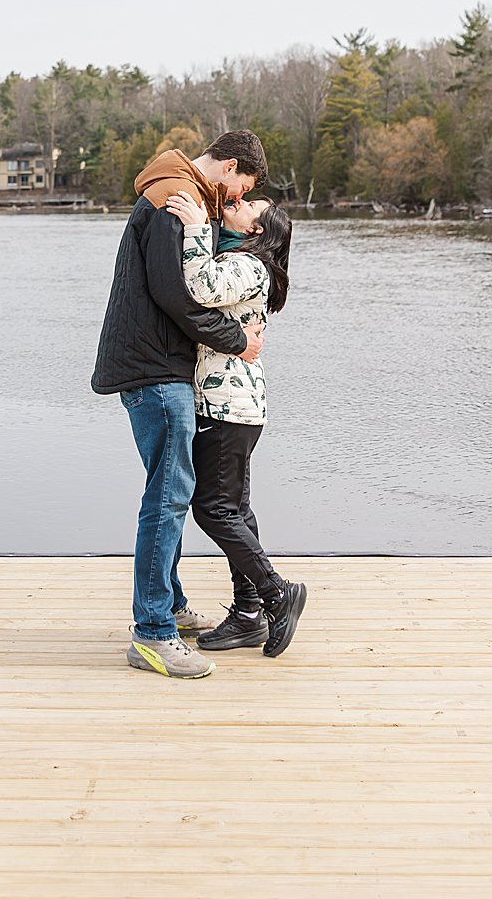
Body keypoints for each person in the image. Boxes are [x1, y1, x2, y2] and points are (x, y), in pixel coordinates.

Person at [91, 131, 269, 679]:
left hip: (155, 365)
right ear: (231, 166)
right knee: (167, 500)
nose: (237, 200)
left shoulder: (179, 192)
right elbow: (178, 293)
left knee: (169, 492)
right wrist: (239, 341)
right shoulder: (174, 197)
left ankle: (168, 604)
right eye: (243, 188)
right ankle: (152, 634)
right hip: (157, 368)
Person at [165, 187, 306, 658]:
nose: (237, 203)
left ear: (256, 230)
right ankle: (248, 614)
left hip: (227, 406)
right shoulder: (246, 262)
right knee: (236, 508)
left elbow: (200, 287)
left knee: (213, 508)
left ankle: (275, 592)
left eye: (247, 206)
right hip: (238, 406)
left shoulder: (248, 266)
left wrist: (195, 229)